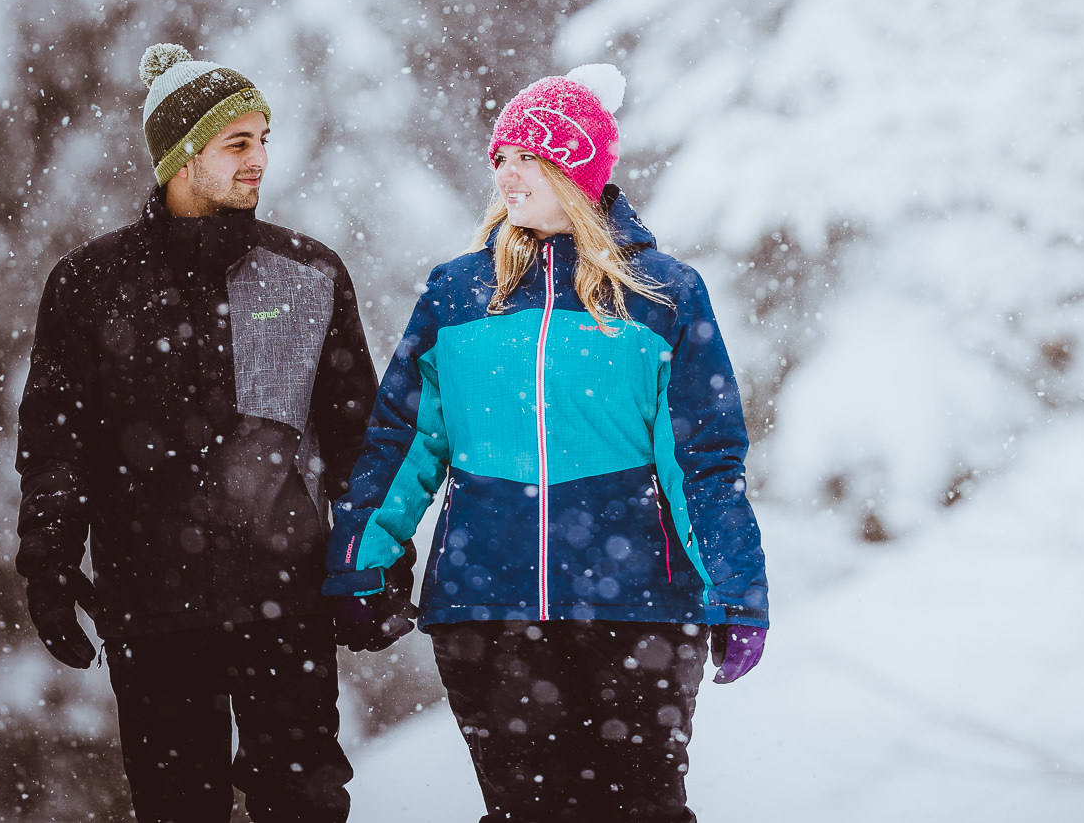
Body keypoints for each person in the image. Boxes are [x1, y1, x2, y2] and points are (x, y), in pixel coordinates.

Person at [325, 64, 768, 823]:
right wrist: (359, 561)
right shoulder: (457, 294)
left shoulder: (661, 293)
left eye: (527, 155)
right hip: (488, 610)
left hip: (640, 610)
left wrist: (736, 584)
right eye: (499, 156)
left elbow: (703, 459)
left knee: (644, 811)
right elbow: (404, 441)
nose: (506, 171)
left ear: (575, 166)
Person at [16, 44, 395, 823]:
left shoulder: (308, 273)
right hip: (151, 609)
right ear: (183, 156)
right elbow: (58, 444)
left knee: (308, 804)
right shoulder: (88, 285)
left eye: (264, 138)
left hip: (285, 602)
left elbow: (360, 437)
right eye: (239, 142)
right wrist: (48, 564)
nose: (261, 158)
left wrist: (375, 561)